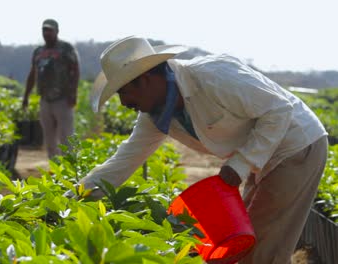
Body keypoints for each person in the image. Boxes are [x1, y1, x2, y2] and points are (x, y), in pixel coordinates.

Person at [79, 36, 328, 264]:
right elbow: (125, 159)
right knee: (247, 239)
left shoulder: (212, 76)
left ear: (144, 80)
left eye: (123, 92)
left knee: (265, 247)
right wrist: (77, 197)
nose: (124, 103)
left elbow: (279, 110)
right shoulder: (156, 114)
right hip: (263, 155)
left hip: (296, 145)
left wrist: (240, 164)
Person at [22, 19, 80, 158]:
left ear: (57, 31)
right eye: (44, 30)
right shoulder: (38, 51)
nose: (46, 33)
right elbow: (33, 73)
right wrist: (26, 96)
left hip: (63, 99)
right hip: (45, 99)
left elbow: (75, 70)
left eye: (50, 30)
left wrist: (73, 93)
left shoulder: (66, 48)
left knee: (66, 135)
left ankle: (70, 169)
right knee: (49, 137)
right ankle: (55, 168)